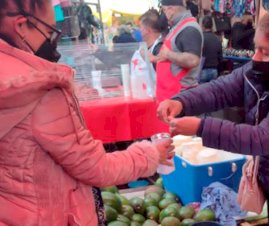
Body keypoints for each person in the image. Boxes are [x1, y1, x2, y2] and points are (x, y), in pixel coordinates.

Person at [157, 7, 269, 226]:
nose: (255, 58)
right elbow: (220, 89)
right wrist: (182, 102)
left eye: (265, 52)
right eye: (256, 48)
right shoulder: (260, 71)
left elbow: (262, 138)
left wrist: (200, 127)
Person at [0, 1, 174, 225]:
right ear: (21, 26)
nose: (54, 39)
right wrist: (151, 154)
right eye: (50, 30)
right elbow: (96, 168)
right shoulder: (42, 90)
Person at [153, 0, 203, 103]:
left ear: (170, 9)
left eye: (163, 10)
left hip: (181, 96)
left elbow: (192, 60)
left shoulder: (189, 28)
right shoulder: (178, 27)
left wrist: (168, 54)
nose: (164, 14)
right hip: (171, 95)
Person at [200, 15, 222, 83]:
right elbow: (220, 57)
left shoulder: (200, 38)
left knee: (202, 92)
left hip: (202, 70)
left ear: (202, 25)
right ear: (212, 26)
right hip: (214, 70)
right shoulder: (217, 38)